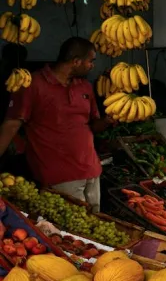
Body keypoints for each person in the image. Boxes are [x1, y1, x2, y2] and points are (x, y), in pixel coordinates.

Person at [0, 37, 109, 210]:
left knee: (95, 226)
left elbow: (92, 126)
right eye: (90, 61)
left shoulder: (85, 87)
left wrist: (107, 121)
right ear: (76, 61)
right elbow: (12, 124)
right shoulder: (32, 84)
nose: (92, 66)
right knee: (70, 231)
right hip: (58, 174)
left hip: (91, 170)